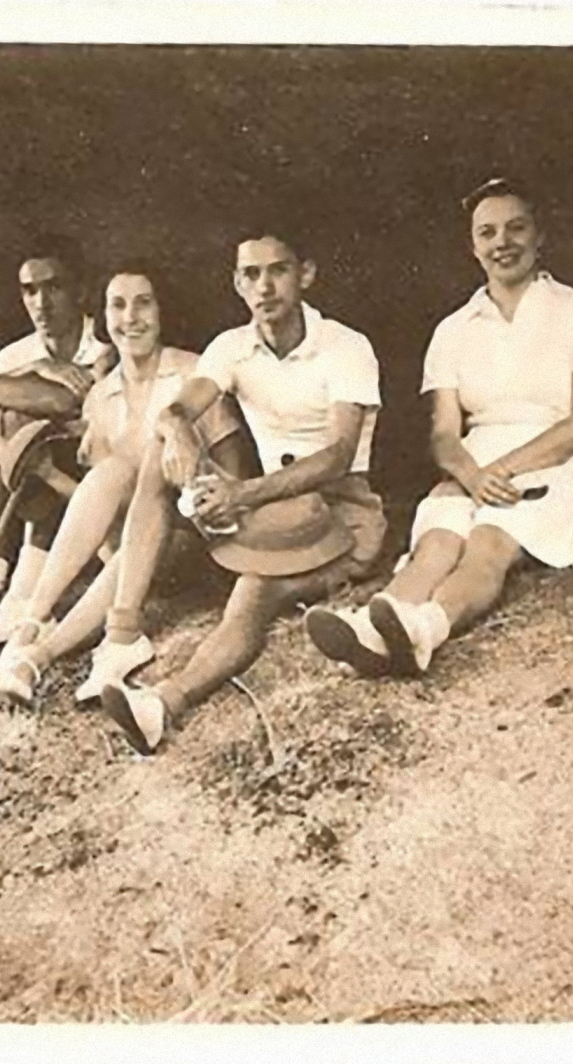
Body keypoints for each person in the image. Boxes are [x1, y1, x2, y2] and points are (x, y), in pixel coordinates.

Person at [304, 177, 573, 677]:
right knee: (435, 546)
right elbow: (444, 435)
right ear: (473, 247)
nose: (503, 243)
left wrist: (499, 472)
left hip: (559, 461)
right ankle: (371, 629)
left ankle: (427, 628)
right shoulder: (453, 330)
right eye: (488, 233)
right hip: (473, 466)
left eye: (516, 228)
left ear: (540, 236)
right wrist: (472, 475)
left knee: (488, 545)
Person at [96, 227, 387, 754]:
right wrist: (179, 431)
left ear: (306, 274)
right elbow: (178, 407)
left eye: (277, 270)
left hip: (340, 512)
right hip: (274, 510)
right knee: (158, 464)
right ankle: (122, 632)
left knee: (254, 593)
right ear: (237, 283)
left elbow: (338, 456)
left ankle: (164, 701)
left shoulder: (346, 347)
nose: (265, 286)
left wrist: (243, 496)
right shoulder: (232, 347)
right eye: (251, 274)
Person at [0, 264, 249, 706]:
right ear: (104, 318)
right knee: (112, 474)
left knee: (142, 501)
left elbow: (236, 477)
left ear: (163, 311)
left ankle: (40, 654)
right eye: (118, 305)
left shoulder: (193, 375)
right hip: (126, 548)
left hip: (194, 538)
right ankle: (34, 618)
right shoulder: (100, 396)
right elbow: (95, 507)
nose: (130, 317)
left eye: (143, 302)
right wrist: (51, 477)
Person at [0, 234, 115, 646]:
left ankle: (16, 591)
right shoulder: (20, 353)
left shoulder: (105, 342)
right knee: (7, 421)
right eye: (29, 290)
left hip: (89, 485)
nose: (40, 302)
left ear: (80, 291)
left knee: (17, 419)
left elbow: (72, 402)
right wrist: (35, 368)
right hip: (36, 484)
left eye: (53, 286)